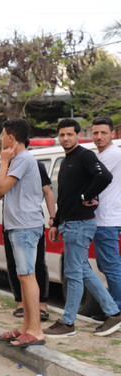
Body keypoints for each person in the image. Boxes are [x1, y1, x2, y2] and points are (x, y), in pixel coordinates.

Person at [46, 119, 121, 337]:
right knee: (83, 270)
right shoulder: (66, 160)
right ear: (58, 137)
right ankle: (113, 312)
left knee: (73, 273)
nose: (66, 138)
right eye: (62, 135)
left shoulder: (85, 156)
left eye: (70, 134)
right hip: (69, 224)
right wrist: (56, 223)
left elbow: (104, 177)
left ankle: (68, 322)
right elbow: (64, 197)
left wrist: (87, 196)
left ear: (78, 135)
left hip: (81, 224)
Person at [0, 119, 46, 347]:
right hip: (19, 225)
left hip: (25, 226)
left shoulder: (22, 159)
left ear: (11, 137)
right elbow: (2, 188)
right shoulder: (19, 160)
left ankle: (36, 330)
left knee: (28, 276)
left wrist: (3, 161)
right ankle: (27, 327)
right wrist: (0, 172)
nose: (1, 139)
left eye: (3, 134)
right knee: (23, 276)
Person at [92, 116, 121, 313]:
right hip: (104, 218)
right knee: (106, 267)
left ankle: (116, 310)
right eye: (95, 133)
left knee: (111, 267)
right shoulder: (101, 155)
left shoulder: (111, 154)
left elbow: (92, 180)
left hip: (107, 220)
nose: (99, 136)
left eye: (104, 132)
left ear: (113, 134)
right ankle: (112, 306)